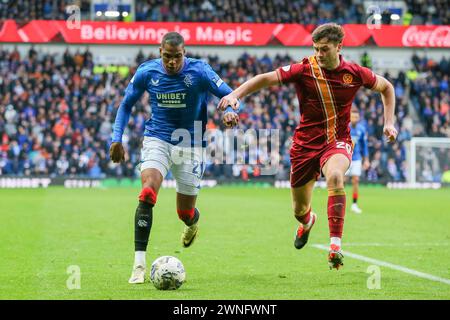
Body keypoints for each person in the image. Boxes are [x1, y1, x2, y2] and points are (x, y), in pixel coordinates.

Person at [218, 23, 397, 270]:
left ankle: (335, 246)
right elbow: (265, 79)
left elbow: (387, 88)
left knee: (335, 176)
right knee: (299, 210)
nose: (319, 54)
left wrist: (389, 123)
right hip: (304, 147)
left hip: (337, 142)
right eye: (316, 49)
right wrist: (234, 95)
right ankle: (308, 221)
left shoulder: (355, 73)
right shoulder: (304, 69)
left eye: (324, 49)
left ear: (339, 47)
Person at [110, 32, 239, 284]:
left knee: (185, 212)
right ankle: (138, 264)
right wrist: (117, 138)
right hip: (158, 138)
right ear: (160, 52)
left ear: (184, 52)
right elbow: (126, 104)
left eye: (177, 57)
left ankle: (192, 223)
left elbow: (230, 94)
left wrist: (231, 111)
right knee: (148, 193)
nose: (172, 62)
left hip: (192, 144)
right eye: (167, 57)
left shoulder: (200, 71)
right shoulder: (147, 72)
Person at [346, 106, 370, 214]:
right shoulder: (345, 128)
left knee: (355, 180)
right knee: (342, 181)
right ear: (350, 117)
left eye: (356, 117)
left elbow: (364, 146)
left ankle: (354, 204)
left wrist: (366, 160)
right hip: (345, 158)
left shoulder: (362, 129)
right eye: (353, 116)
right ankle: (339, 203)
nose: (355, 118)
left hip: (356, 159)